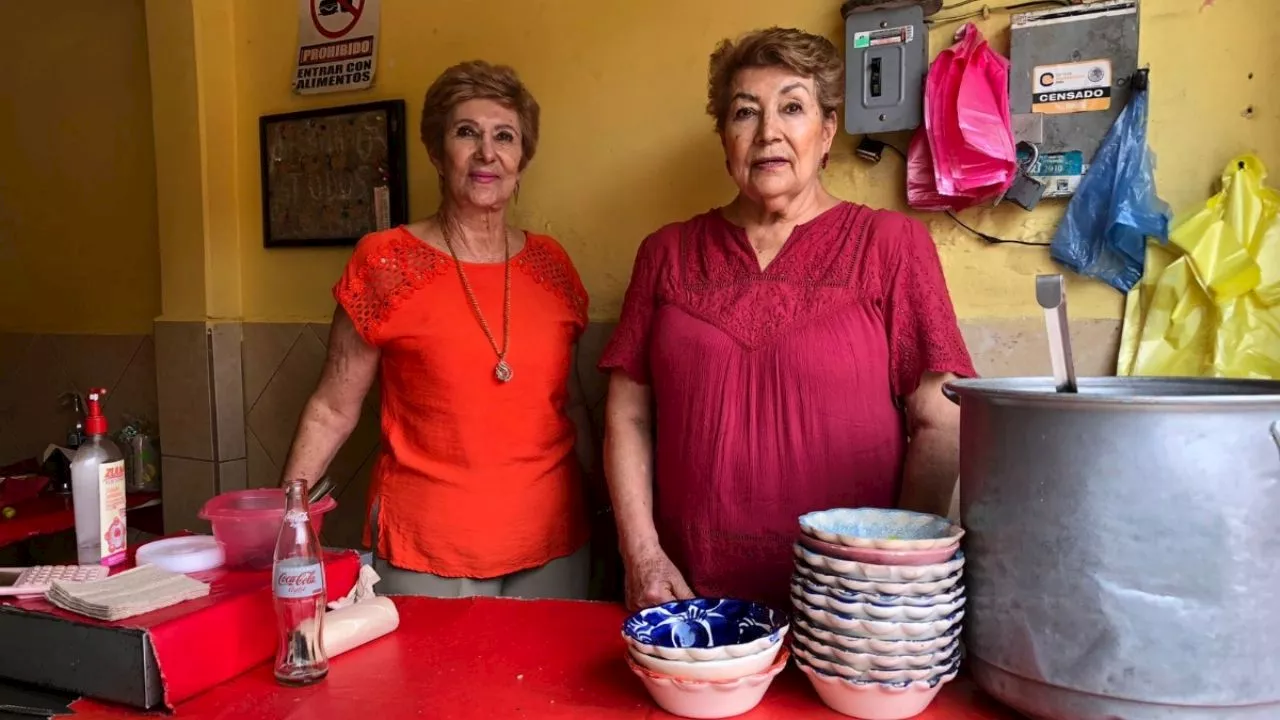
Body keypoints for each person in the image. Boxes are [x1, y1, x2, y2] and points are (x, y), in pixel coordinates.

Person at [599, 28, 976, 612]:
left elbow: (941, 421)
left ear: (826, 131)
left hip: (847, 596)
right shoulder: (666, 254)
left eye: (792, 108)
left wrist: (889, 568)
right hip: (687, 590)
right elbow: (628, 415)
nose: (768, 132)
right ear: (724, 137)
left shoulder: (890, 245)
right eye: (745, 112)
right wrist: (642, 556)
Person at [281, 60, 594, 599]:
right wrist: (287, 520)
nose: (486, 153)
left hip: (555, 544)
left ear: (523, 158)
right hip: (426, 549)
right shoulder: (384, 261)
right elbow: (333, 407)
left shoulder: (553, 265)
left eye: (505, 137)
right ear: (435, 151)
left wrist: (615, 514)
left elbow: (573, 407)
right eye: (466, 133)